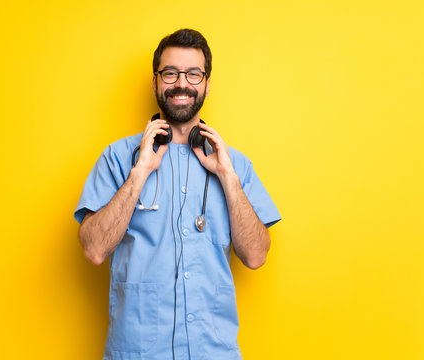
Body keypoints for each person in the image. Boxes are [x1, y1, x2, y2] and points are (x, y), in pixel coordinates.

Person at [74, 28, 281, 360]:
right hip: (138, 352)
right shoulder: (117, 158)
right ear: (156, 83)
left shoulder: (235, 164)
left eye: (193, 74)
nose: (181, 83)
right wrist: (139, 173)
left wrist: (227, 177)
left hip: (213, 352)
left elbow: (256, 256)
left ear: (207, 84)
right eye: (170, 73)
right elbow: (94, 249)